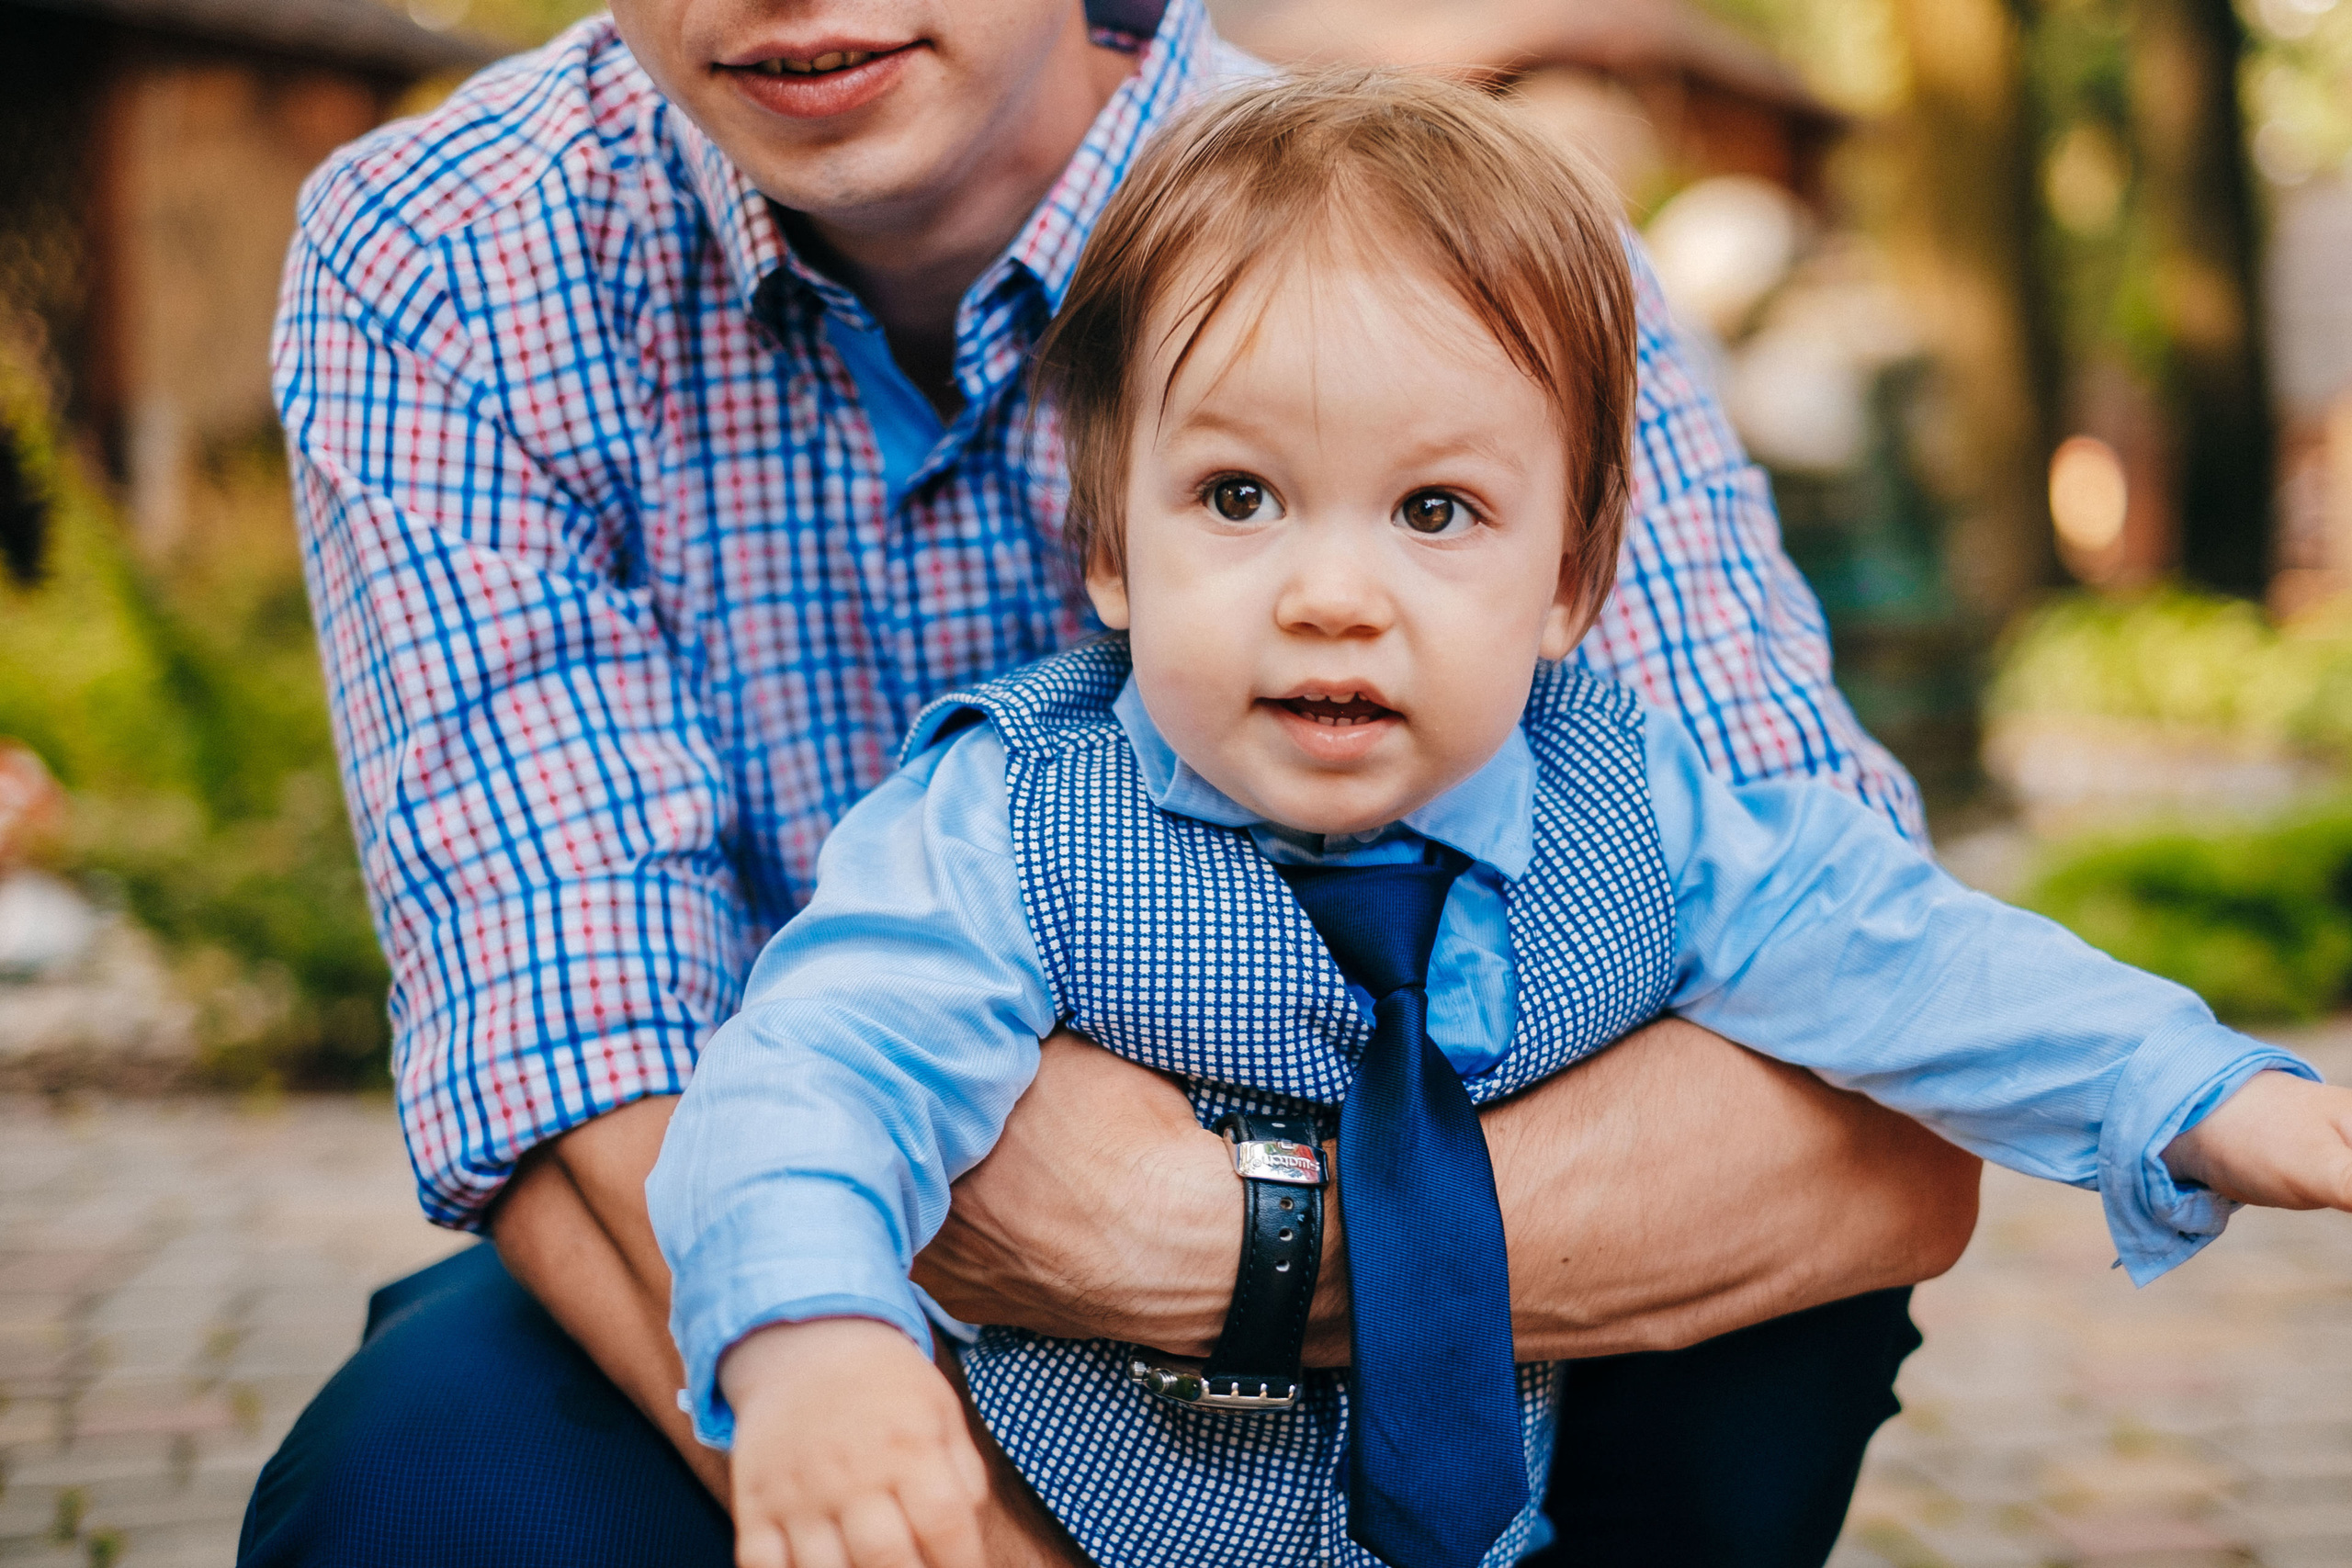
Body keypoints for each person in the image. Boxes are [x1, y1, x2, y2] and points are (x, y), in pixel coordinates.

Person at [241, 3, 1981, 1564]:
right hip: (822, 1249)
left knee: (1770, 1299)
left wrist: (1216, 1241)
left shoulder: (1471, 236)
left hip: (1463, 1245)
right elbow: (575, 1053)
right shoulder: (453, 249)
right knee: (423, 1496)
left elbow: (1879, 1102)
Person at [650, 69, 2352, 1568]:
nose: (1332, 593)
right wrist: (810, 1335)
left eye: (1436, 510)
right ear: (1110, 544)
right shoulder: (1004, 819)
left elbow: (1910, 956)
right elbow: (814, 1070)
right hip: (1086, 1519)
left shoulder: (1642, 807)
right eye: (1237, 497)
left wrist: (2185, 1086)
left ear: (1572, 576)